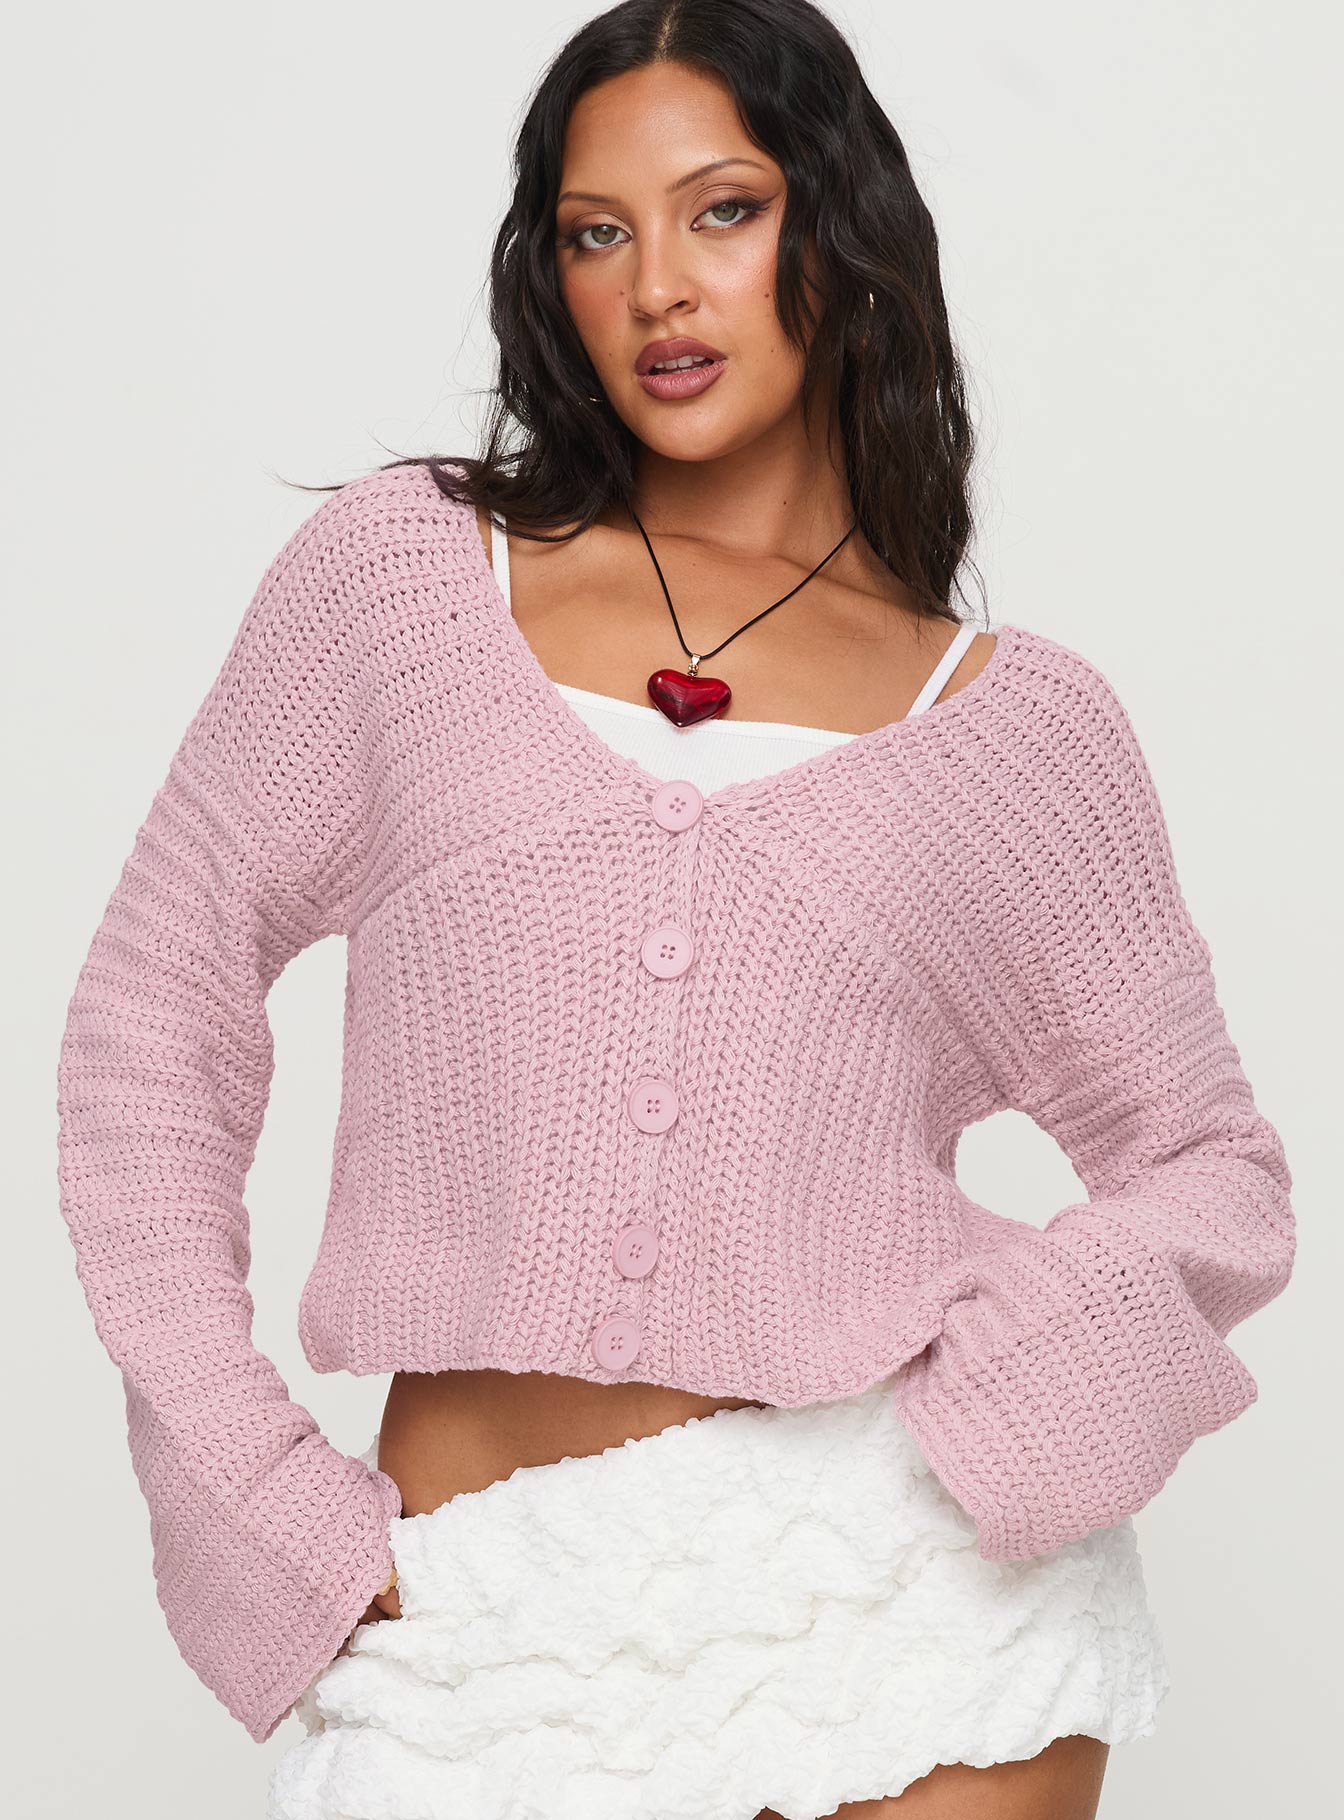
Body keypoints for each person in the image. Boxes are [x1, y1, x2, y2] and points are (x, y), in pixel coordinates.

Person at [54, 2, 1296, 1816]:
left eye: (724, 209)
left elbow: (1211, 1167)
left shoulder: (1016, 732)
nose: (655, 287)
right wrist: (245, 1480)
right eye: (596, 231)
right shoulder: (401, 584)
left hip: (907, 1590)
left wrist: (1008, 1410)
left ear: (840, 232)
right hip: (483, 1604)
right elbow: (148, 1025)